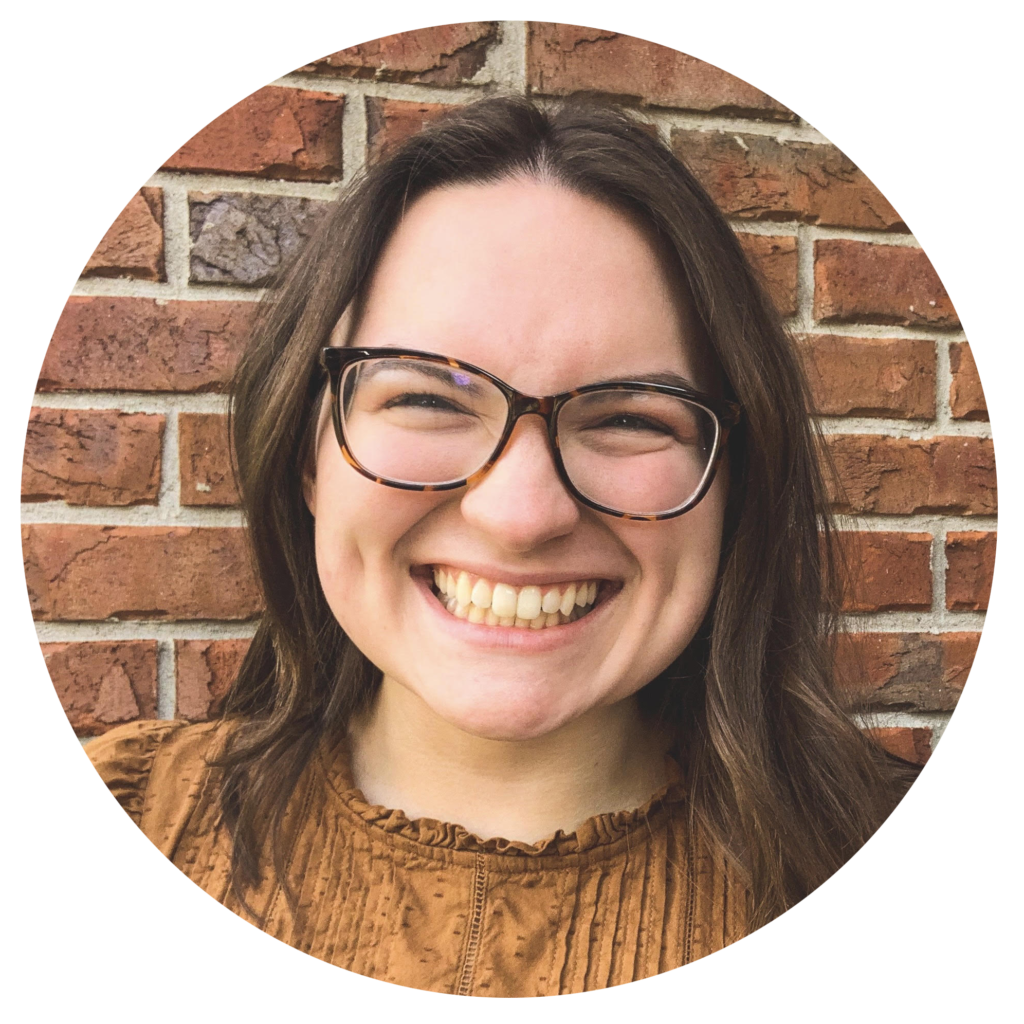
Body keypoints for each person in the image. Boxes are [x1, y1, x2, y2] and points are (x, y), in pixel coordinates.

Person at [85, 96, 920, 995]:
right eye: (429, 400)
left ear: (732, 483)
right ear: (307, 459)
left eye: (631, 416)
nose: (521, 515)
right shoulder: (140, 809)